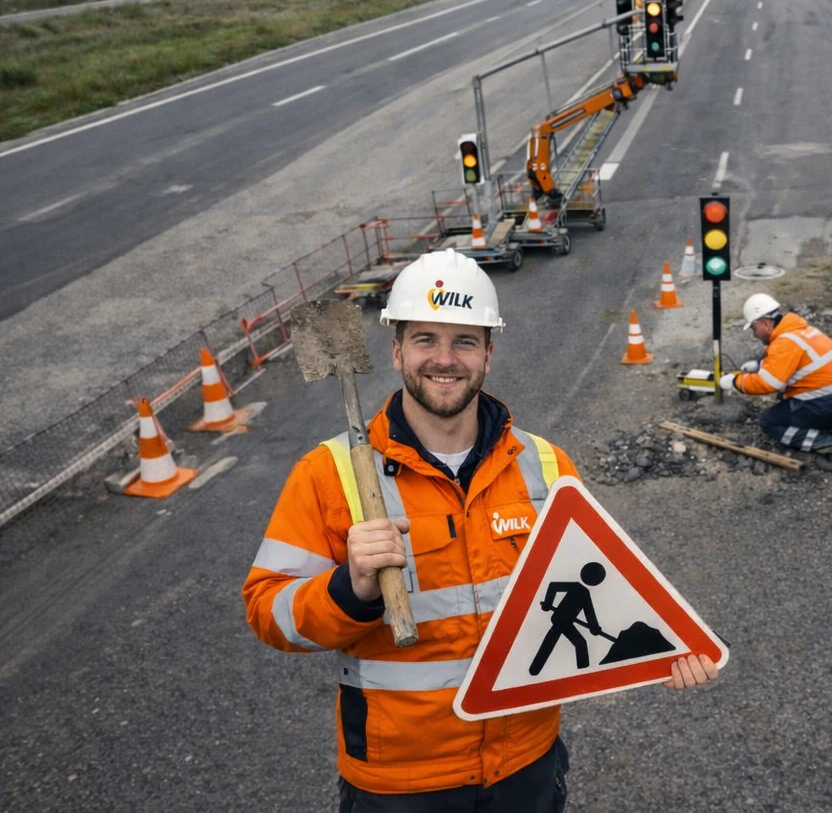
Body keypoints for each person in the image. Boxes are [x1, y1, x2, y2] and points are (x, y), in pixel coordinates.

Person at [243, 250, 718, 813]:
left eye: (464, 341)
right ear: (396, 351)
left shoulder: (547, 466)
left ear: (489, 354)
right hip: (400, 783)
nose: (445, 359)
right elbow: (267, 612)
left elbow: (606, 593)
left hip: (525, 766)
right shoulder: (329, 474)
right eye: (425, 339)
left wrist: (665, 650)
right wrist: (351, 589)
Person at [720, 293, 832, 472]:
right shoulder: (804, 332)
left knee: (770, 422)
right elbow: (789, 363)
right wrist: (759, 366)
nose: (754, 334)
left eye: (753, 328)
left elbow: (767, 384)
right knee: (810, 402)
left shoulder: (784, 343)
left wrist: (736, 382)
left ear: (764, 323)